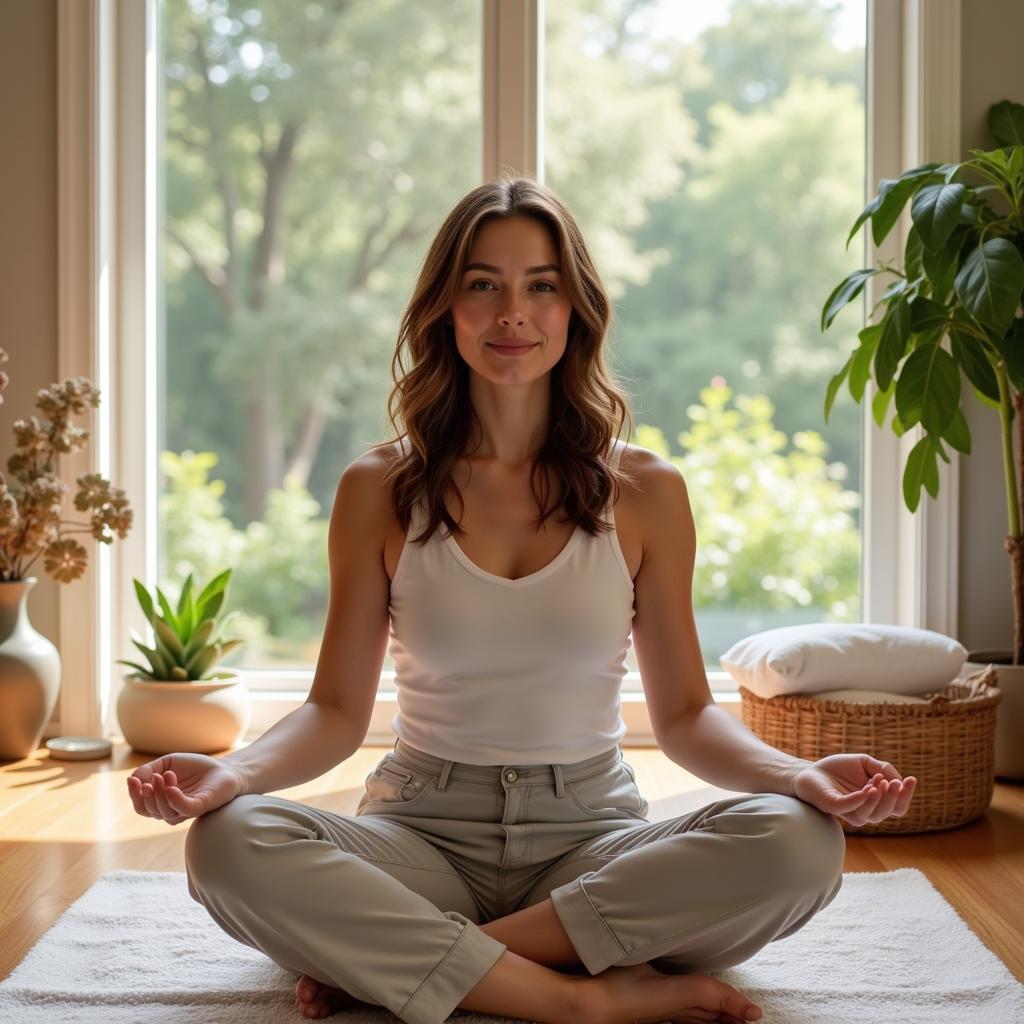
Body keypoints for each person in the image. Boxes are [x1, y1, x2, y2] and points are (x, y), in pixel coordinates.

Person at [126, 174, 916, 1024]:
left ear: (575, 307)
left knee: (800, 842)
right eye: (483, 285)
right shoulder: (378, 488)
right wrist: (230, 776)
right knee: (228, 845)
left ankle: (409, 960)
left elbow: (686, 715)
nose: (513, 313)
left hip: (589, 837)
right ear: (444, 310)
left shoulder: (645, 490)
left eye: (541, 285)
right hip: (419, 834)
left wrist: (801, 778)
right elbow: (333, 712)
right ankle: (577, 999)